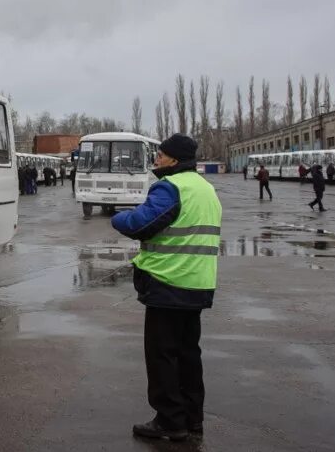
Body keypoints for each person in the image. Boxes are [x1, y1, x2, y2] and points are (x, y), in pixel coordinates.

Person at [111, 134, 221, 441]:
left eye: (160, 155)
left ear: (173, 159)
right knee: (188, 355)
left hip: (169, 282)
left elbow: (140, 224)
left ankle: (170, 421)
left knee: (162, 356)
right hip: (198, 283)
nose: (156, 159)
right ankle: (191, 420)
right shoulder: (205, 188)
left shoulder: (171, 186)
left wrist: (119, 217)